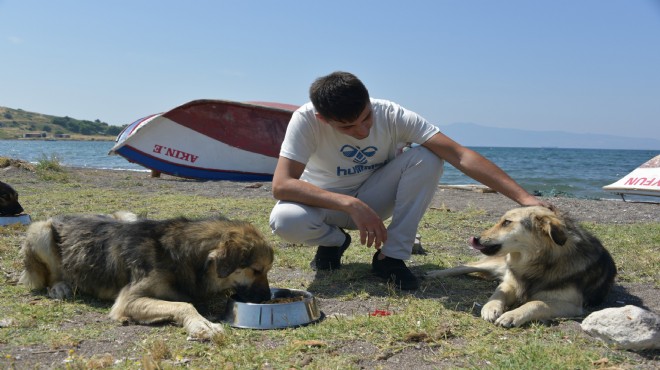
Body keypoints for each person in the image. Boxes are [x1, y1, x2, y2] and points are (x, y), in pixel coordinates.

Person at [269, 71, 548, 290]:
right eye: (348, 127)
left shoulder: (391, 114)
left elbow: (459, 155)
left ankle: (391, 257)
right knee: (285, 220)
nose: (363, 130)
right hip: (326, 205)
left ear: (369, 99)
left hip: (375, 198)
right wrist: (349, 204)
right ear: (323, 119)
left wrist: (527, 200)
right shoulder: (305, 119)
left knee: (428, 156)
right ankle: (333, 243)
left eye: (366, 118)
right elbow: (282, 184)